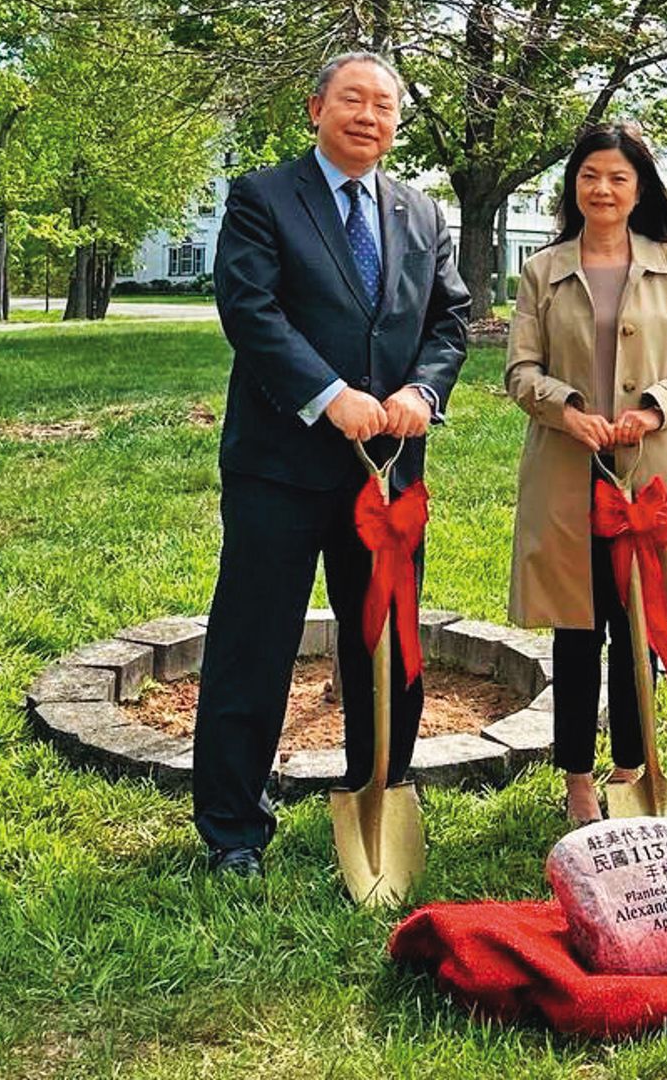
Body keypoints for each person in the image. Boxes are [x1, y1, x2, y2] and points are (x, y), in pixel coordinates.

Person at [194, 52, 469, 876]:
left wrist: (424, 389)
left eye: (385, 105)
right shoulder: (262, 197)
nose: (369, 115)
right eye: (353, 99)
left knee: (385, 639)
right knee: (255, 642)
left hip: (387, 476)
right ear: (316, 107)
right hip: (279, 466)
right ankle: (234, 829)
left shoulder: (423, 213)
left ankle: (380, 788)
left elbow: (450, 320)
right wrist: (326, 392)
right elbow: (250, 309)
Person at [505, 122, 667, 826]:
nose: (602, 188)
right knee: (576, 627)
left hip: (647, 473)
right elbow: (520, 371)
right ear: (573, 184)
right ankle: (575, 776)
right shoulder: (542, 269)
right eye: (590, 175)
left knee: (637, 621)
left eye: (618, 178)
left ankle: (631, 766)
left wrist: (654, 409)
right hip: (570, 473)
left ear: (639, 189)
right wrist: (565, 408)